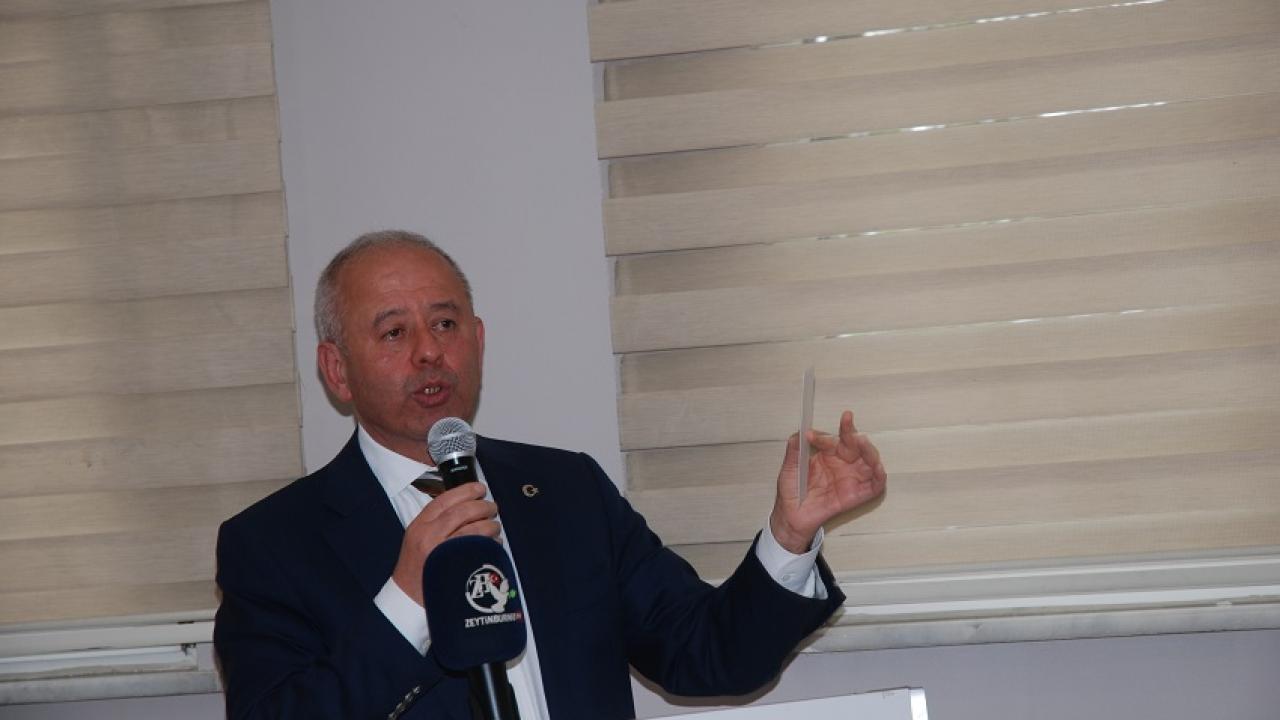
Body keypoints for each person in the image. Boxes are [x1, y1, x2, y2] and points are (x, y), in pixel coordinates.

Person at [214, 231, 887, 719]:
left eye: (445, 323)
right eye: (394, 333)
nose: (429, 352)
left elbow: (707, 653)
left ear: (478, 341)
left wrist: (789, 537)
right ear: (337, 371)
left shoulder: (566, 492)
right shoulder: (273, 546)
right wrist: (407, 601)